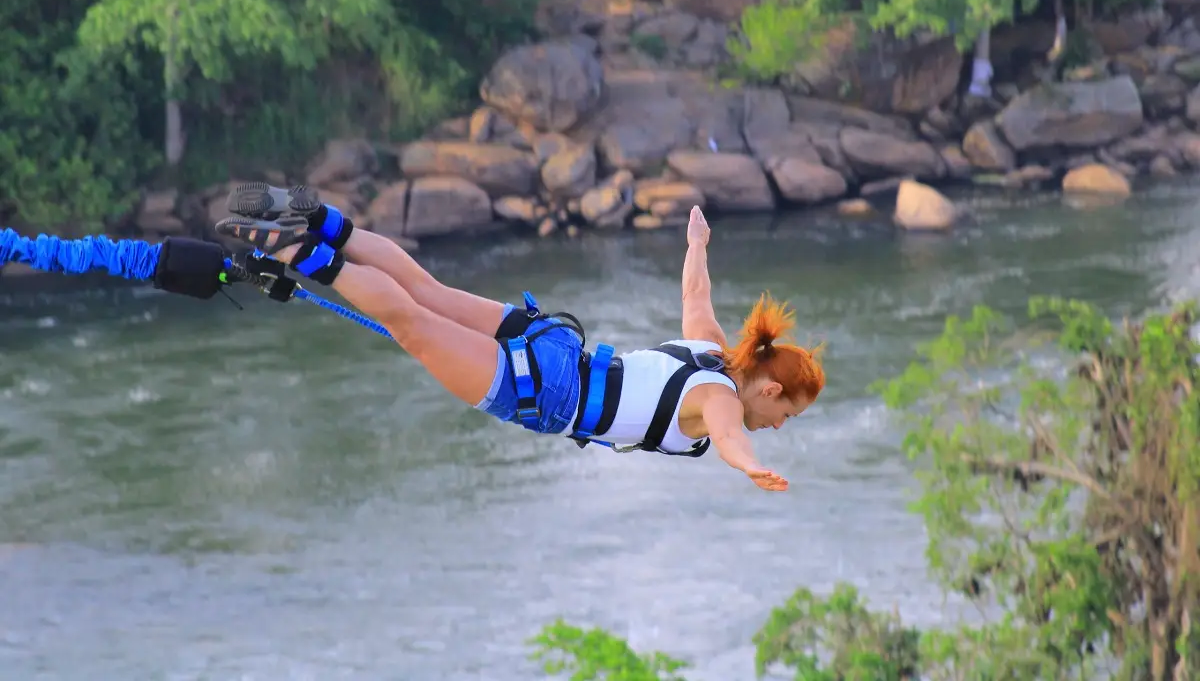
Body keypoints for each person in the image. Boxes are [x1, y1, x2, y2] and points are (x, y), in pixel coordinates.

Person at [214, 184, 825, 492]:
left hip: (558, 343)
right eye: (785, 414)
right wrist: (751, 467)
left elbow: (696, 295)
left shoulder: (712, 347)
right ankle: (302, 253)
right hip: (550, 393)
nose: (777, 426)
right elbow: (726, 436)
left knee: (427, 292)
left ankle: (321, 220)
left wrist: (697, 247)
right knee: (415, 327)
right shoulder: (721, 399)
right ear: (770, 389)